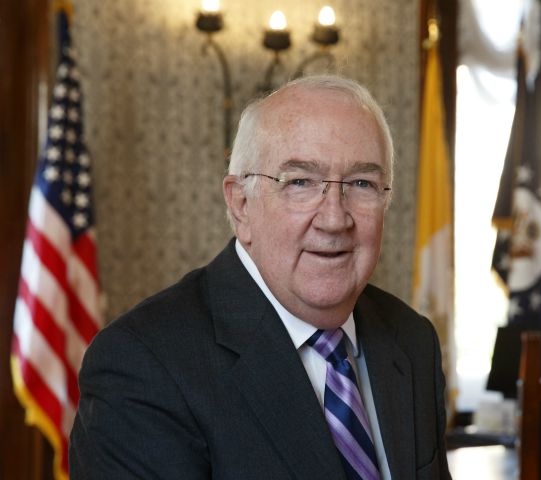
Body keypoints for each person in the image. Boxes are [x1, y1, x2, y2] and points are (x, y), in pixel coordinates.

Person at [69, 75, 451, 479]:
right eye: (300, 182)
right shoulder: (144, 364)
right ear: (241, 206)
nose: (336, 218)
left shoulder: (412, 341)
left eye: (361, 183)